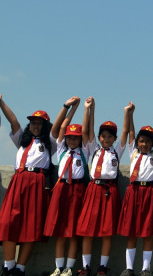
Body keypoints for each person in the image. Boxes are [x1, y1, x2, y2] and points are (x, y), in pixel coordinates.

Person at [0, 95, 68, 276]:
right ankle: (8, 265)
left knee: (31, 226)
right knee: (7, 223)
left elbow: (58, 126)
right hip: (18, 181)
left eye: (39, 123)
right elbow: (13, 120)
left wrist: (65, 106)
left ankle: (20, 269)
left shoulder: (50, 144)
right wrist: (1, 101)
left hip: (37, 183)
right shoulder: (21, 139)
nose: (35, 126)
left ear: (45, 126)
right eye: (33, 123)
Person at [76, 98, 133, 276]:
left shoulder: (117, 151)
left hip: (110, 190)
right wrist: (90, 109)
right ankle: (85, 266)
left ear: (114, 138)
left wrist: (128, 112)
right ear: (99, 137)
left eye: (110, 136)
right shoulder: (94, 149)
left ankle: (102, 266)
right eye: (103, 136)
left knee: (107, 231)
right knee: (87, 229)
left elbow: (126, 132)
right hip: (93, 189)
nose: (106, 139)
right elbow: (87, 131)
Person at [118, 104, 153, 276]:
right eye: (142, 141)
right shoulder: (133, 152)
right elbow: (131, 132)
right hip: (133, 192)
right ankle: (129, 267)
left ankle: (146, 268)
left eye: (148, 141)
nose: (144, 144)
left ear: (152, 143)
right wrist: (130, 114)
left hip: (149, 193)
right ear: (137, 142)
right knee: (131, 231)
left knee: (148, 232)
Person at [44, 97, 91, 276]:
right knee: (60, 231)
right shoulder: (62, 149)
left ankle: (70, 267)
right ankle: (58, 267)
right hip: (61, 189)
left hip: (78, 190)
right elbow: (63, 127)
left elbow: (85, 130)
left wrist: (85, 109)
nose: (72, 140)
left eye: (75, 138)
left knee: (73, 231)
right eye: (69, 138)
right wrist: (73, 107)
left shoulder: (83, 152)